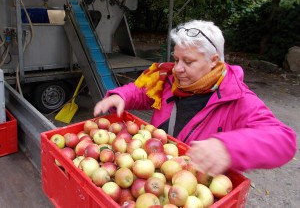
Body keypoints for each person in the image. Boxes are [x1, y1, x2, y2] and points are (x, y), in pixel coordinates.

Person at [94, 19, 297, 176]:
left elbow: (284, 141)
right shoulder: (167, 80)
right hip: (155, 175)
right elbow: (141, 92)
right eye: (176, 59)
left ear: (213, 61)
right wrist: (121, 96)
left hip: (195, 189)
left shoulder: (239, 100)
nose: (178, 68)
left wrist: (228, 147)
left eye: (188, 62)